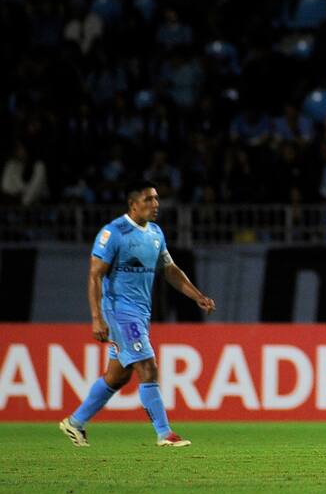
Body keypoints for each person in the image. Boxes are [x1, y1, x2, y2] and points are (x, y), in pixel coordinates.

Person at [59, 180, 215, 447]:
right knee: (147, 366)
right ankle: (165, 433)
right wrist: (97, 317)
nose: (155, 205)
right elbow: (95, 276)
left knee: (118, 376)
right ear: (133, 205)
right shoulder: (113, 233)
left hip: (140, 313)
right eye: (148, 200)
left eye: (156, 199)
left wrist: (198, 296)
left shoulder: (155, 233)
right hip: (119, 311)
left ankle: (75, 423)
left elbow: (170, 270)